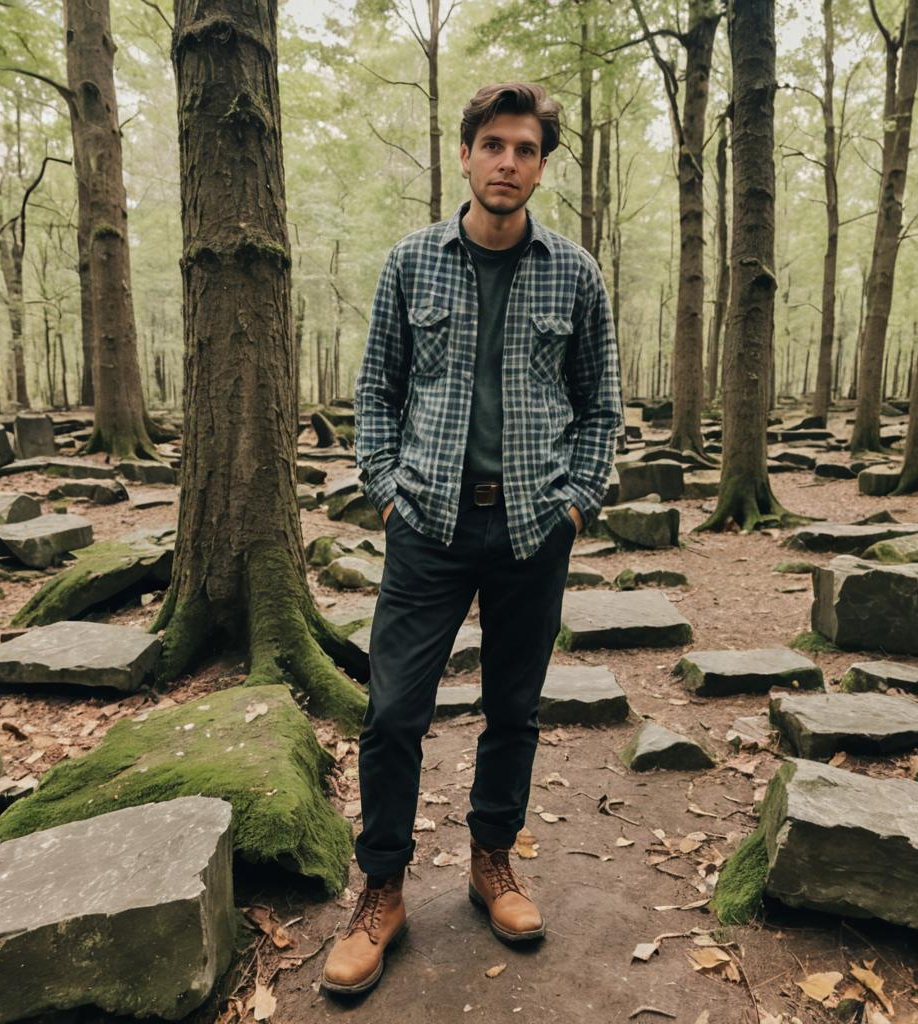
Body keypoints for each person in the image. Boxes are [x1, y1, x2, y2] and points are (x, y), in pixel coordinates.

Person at [322, 81, 622, 996]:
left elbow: (602, 407)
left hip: (535, 527)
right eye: (493, 145)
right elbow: (375, 391)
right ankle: (381, 889)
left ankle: (493, 861)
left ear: (540, 165)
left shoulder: (576, 272)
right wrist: (385, 491)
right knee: (392, 712)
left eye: (525, 149)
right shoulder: (413, 261)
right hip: (429, 528)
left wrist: (575, 502)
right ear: (465, 155)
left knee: (514, 710)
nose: (507, 162)